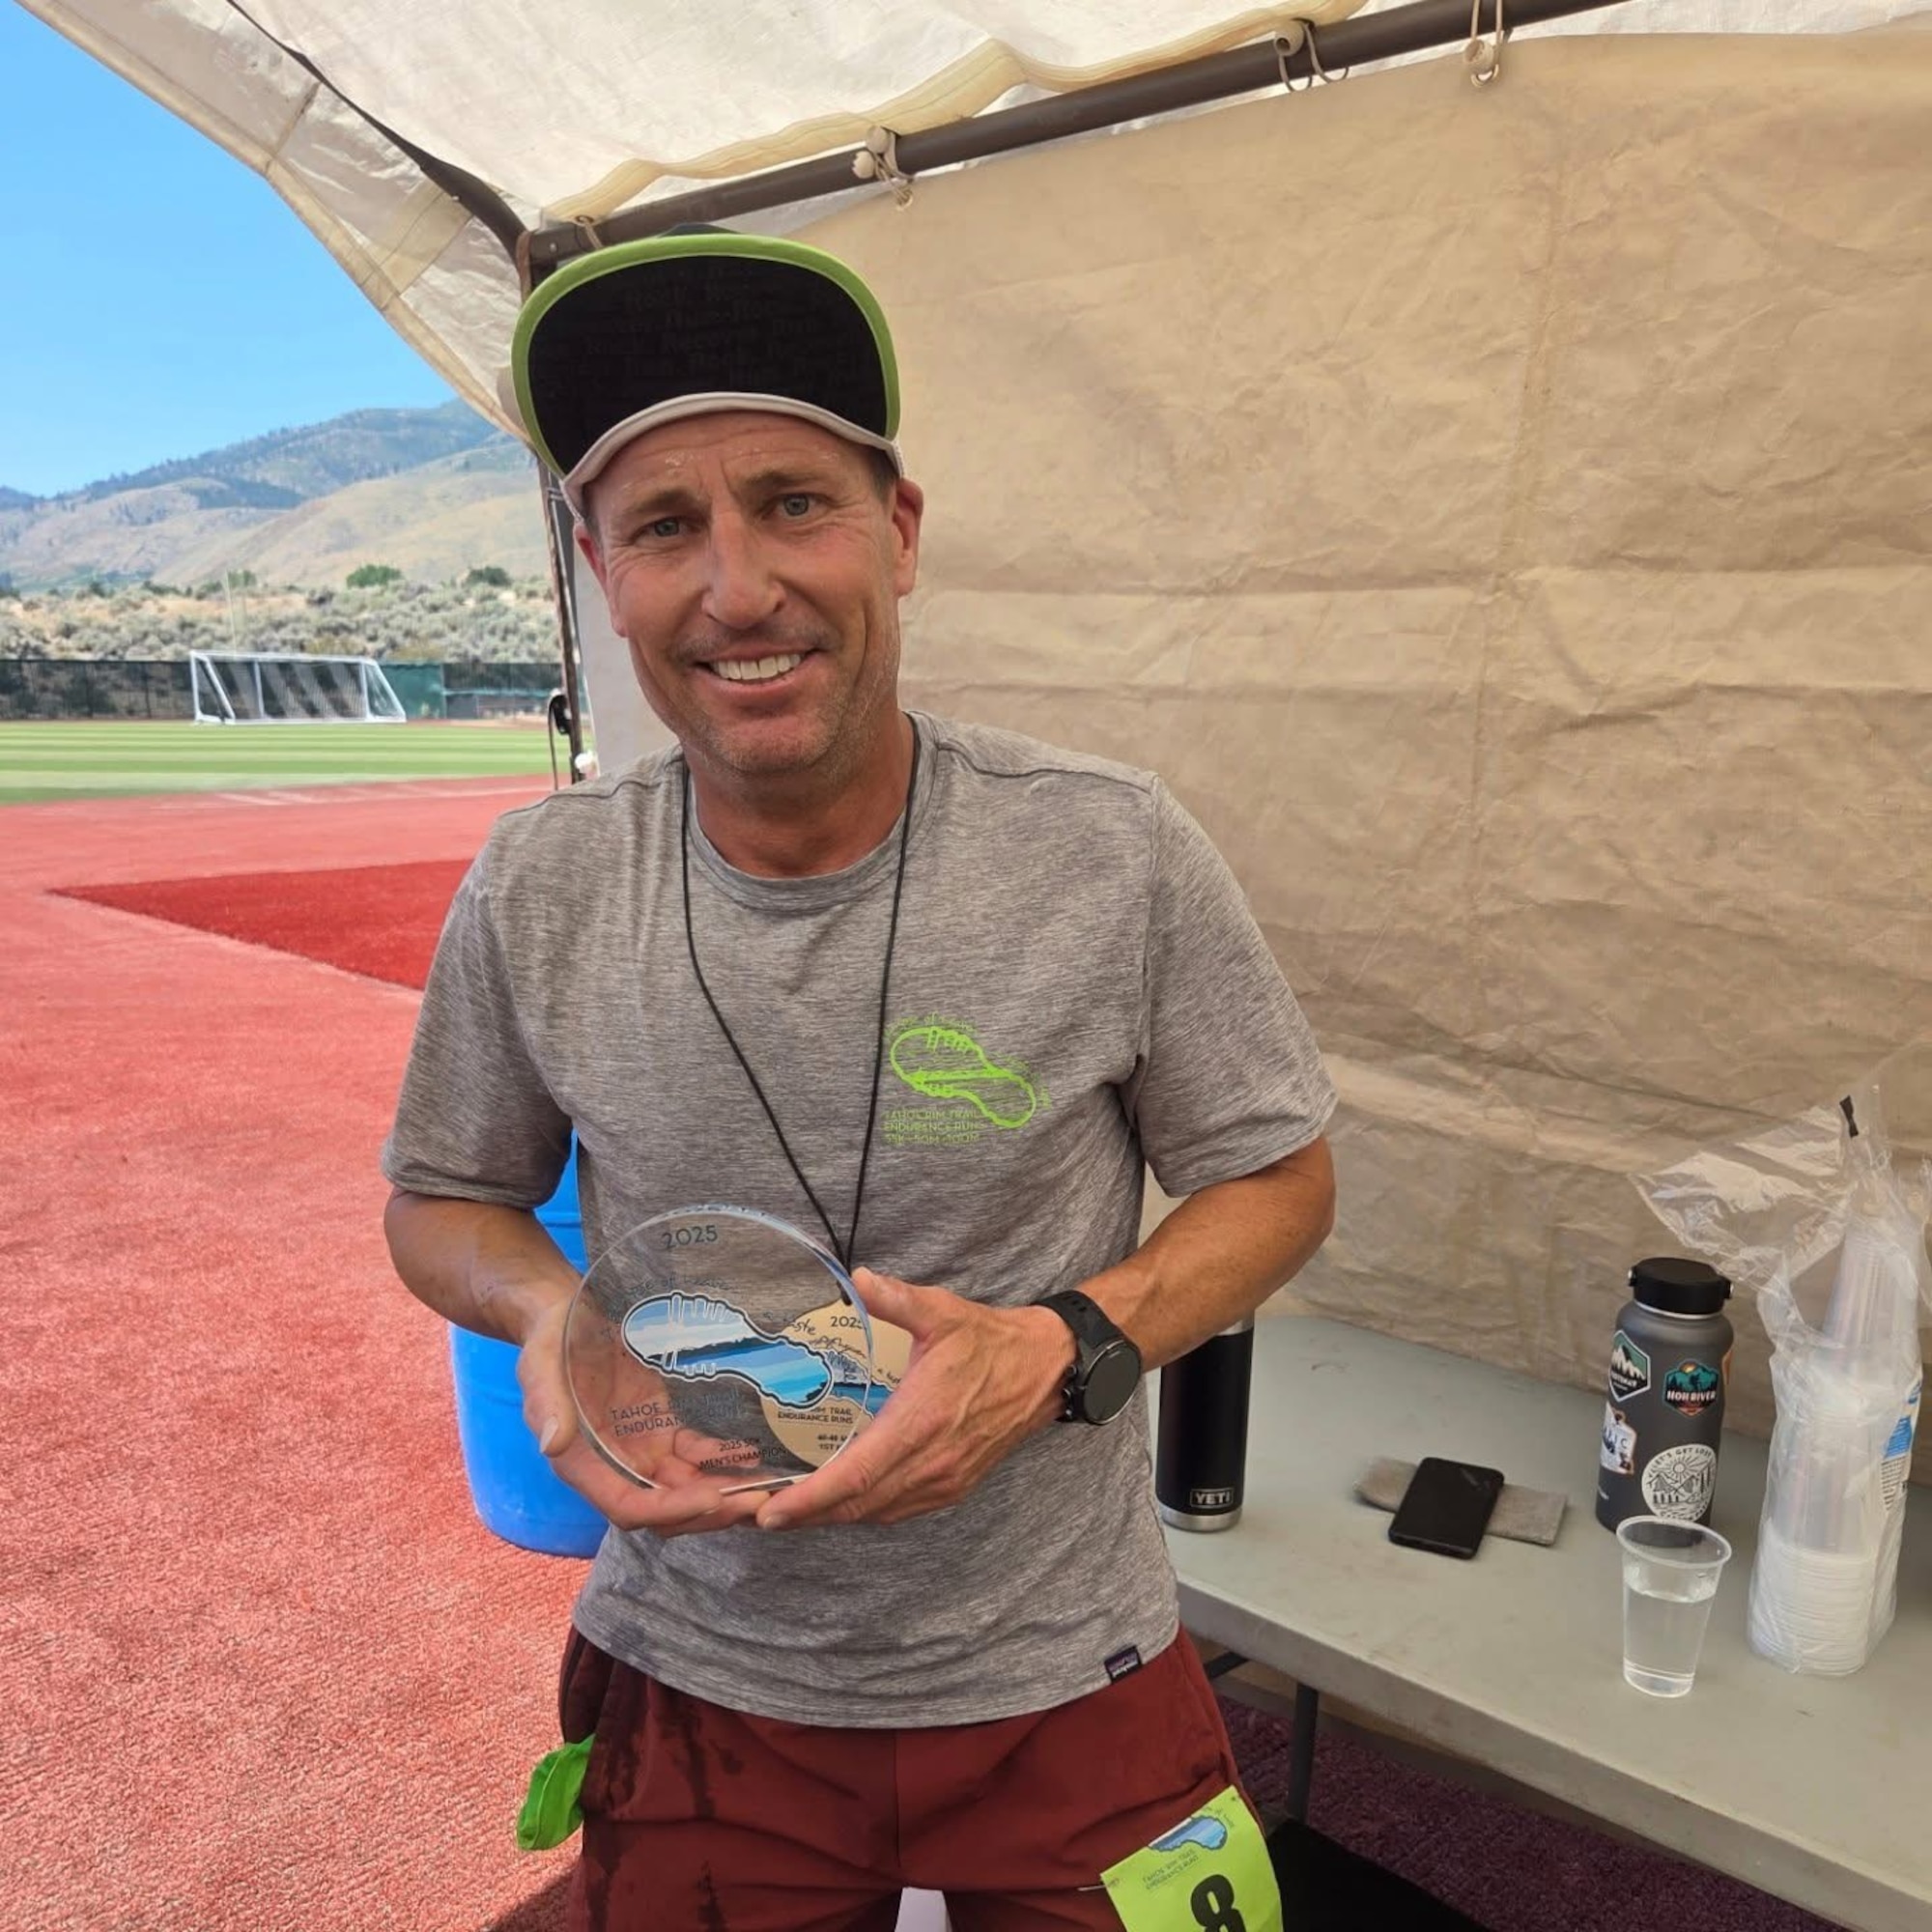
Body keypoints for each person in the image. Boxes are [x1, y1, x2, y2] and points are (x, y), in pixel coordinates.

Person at [382, 227, 1338, 1932]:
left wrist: (1065, 1346)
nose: (738, 588)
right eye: (665, 526)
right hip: (703, 1670)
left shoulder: (1106, 853)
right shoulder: (541, 886)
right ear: (603, 570)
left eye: (793, 503)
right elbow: (442, 1199)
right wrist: (546, 1319)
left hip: (1070, 1665)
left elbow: (1279, 1174)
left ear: (898, 535)